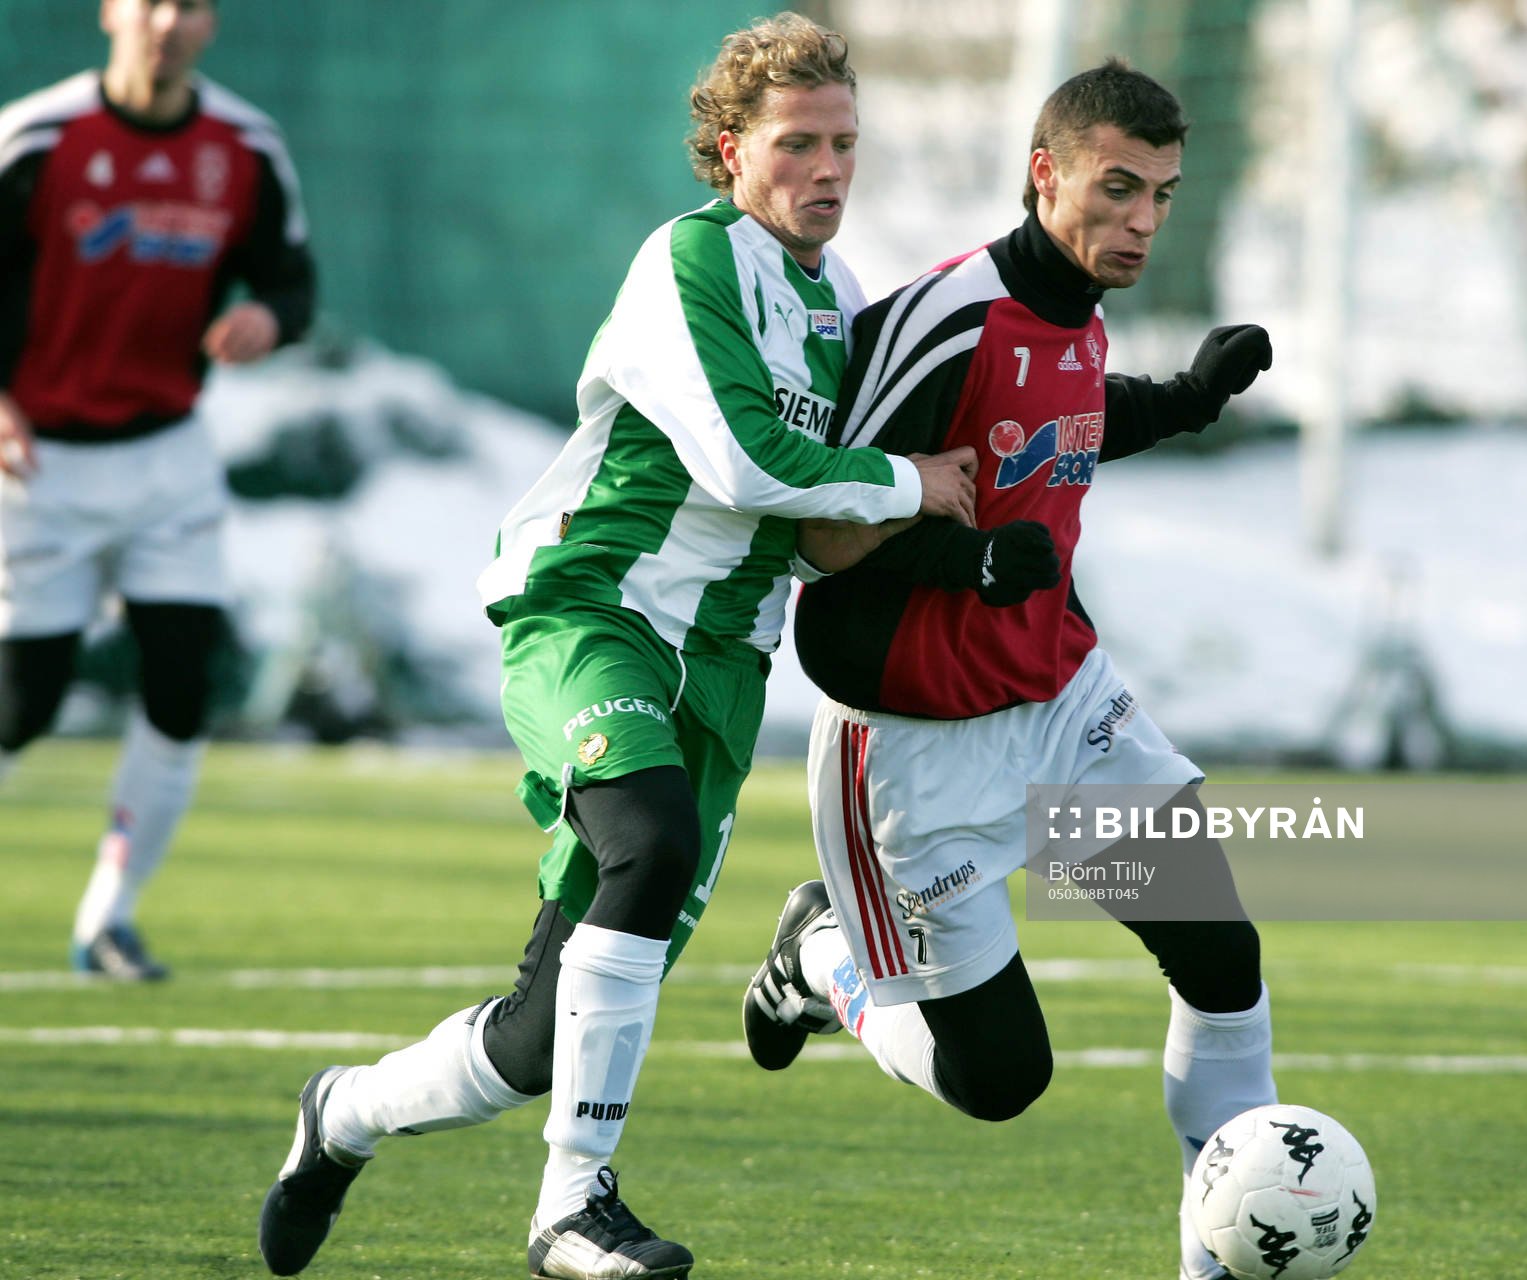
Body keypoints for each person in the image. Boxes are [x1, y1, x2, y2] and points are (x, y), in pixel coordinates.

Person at [256, 13, 976, 1280]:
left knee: (536, 1037)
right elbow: (748, 462)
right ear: (727, 150)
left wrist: (946, 525)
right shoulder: (691, 260)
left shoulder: (841, 302)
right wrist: (914, 484)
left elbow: (812, 533)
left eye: (845, 144)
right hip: (592, 608)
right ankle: (573, 1208)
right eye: (797, 143)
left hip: (724, 666)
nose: (827, 169)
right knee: (649, 837)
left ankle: (344, 1112)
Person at [741, 60, 1276, 1280]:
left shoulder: (1076, 305)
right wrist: (970, 561)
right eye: (1119, 188)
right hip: (911, 744)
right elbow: (822, 527)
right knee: (1001, 1080)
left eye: (1165, 196)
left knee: (1220, 951)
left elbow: (1065, 416)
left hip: (1061, 701)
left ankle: (1219, 1261)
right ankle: (822, 959)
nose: (1143, 219)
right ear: (1047, 176)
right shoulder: (942, 318)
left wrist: (1186, 399)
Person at [0, 0, 314, 980]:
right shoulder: (37, 138)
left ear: (213, 24)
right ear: (110, 13)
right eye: (151, 3)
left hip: (168, 452)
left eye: (192, 6)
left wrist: (267, 315)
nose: (169, 23)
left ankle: (110, 915)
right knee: (26, 701)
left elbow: (293, 281)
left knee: (182, 683)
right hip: (35, 458)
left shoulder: (245, 146)